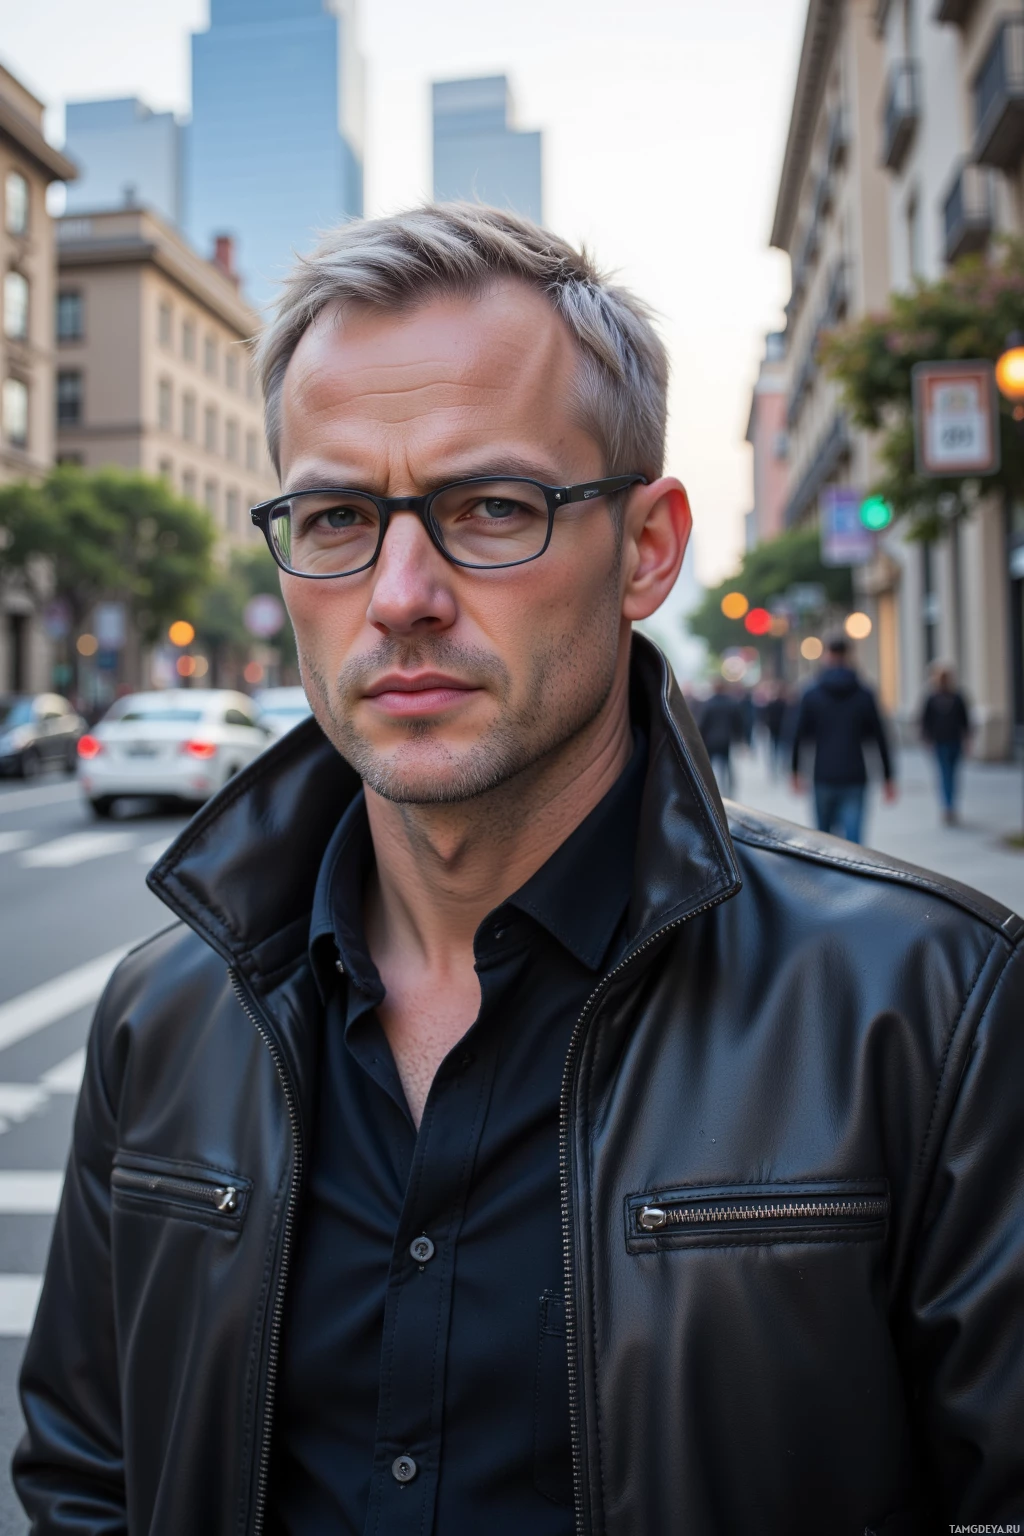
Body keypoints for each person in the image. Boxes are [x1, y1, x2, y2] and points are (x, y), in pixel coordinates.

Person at [14, 205, 1024, 1535]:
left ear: (647, 549)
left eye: (492, 507)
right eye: (335, 516)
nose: (400, 594)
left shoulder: (934, 1008)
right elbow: (89, 1479)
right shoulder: (165, 1015)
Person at [790, 632, 896, 844]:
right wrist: (888, 776)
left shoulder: (811, 693)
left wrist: (795, 770)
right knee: (854, 843)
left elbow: (797, 734)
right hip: (855, 773)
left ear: (826, 655)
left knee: (824, 841)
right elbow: (880, 735)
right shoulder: (864, 693)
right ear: (848, 655)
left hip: (823, 773)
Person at [921, 663, 972, 825]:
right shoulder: (931, 698)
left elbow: (965, 720)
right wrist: (927, 739)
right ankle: (948, 806)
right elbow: (925, 721)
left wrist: (967, 740)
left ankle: (950, 805)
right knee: (945, 774)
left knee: (952, 774)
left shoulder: (957, 697)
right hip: (940, 742)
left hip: (954, 741)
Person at [697, 677, 743, 797]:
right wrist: (738, 737)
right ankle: (728, 790)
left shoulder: (708, 704)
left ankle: (708, 789)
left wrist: (700, 738)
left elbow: (703, 723)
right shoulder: (731, 703)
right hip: (725, 739)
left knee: (709, 767)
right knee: (726, 765)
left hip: (710, 740)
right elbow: (738, 722)